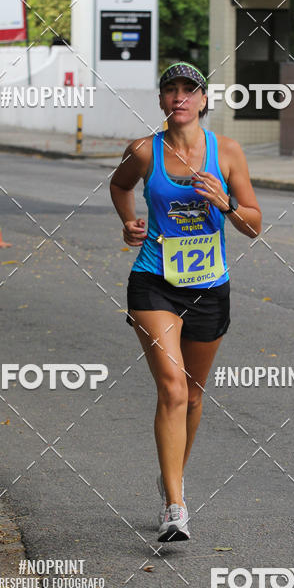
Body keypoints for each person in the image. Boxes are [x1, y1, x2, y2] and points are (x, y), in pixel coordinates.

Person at [110, 62, 262, 541]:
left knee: (194, 394)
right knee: (173, 387)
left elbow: (254, 224)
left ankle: (171, 474)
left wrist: (226, 203)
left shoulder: (228, 152)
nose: (179, 97)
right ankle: (176, 506)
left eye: (188, 90)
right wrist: (130, 221)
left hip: (209, 286)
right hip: (153, 280)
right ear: (160, 101)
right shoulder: (144, 151)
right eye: (170, 90)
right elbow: (119, 184)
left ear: (202, 101)